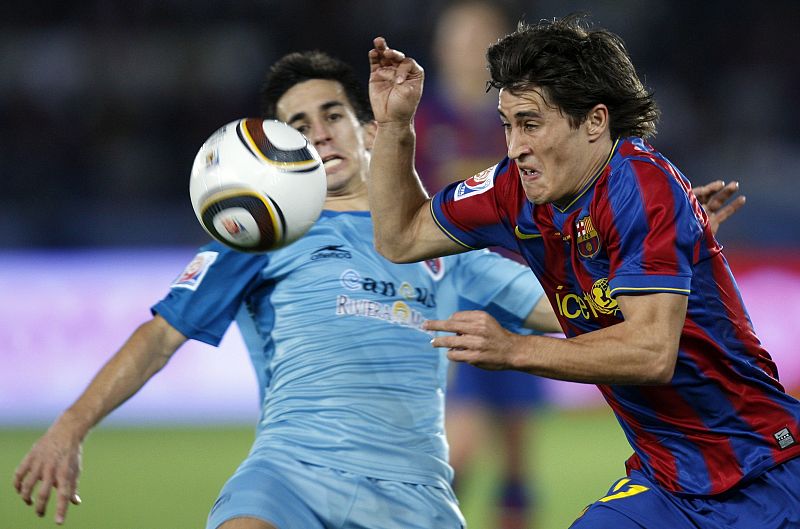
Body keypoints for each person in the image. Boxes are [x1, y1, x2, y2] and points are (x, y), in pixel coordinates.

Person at [13, 50, 564, 529]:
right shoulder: (261, 238)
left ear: (370, 130)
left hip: (414, 494)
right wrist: (70, 428)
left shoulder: (446, 246)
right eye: (298, 126)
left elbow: (569, 313)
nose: (319, 132)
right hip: (289, 476)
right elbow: (159, 337)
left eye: (331, 115)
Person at [366, 13, 797, 529]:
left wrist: (514, 348)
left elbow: (651, 352)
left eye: (530, 124)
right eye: (507, 125)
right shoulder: (512, 188)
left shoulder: (641, 186)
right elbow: (400, 236)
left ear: (595, 121)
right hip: (666, 481)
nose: (514, 148)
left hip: (764, 468)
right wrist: (395, 127)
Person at [415, 2, 545, 527]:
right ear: (442, 48)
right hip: (455, 288)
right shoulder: (421, 121)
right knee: (459, 443)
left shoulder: (520, 116)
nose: (471, 50)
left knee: (516, 455)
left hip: (523, 284)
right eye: (461, 38)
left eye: (481, 39)